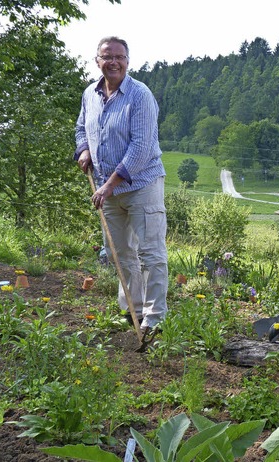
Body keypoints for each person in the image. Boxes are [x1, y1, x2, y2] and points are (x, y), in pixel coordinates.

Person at [74, 36, 168, 333]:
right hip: (107, 188)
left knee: (151, 253)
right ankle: (133, 311)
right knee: (120, 253)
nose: (113, 61)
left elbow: (141, 148)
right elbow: (80, 128)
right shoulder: (90, 93)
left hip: (141, 184)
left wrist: (110, 184)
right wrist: (83, 150)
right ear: (97, 60)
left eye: (119, 56)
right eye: (107, 56)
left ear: (128, 61)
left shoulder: (140, 95)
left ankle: (154, 321)